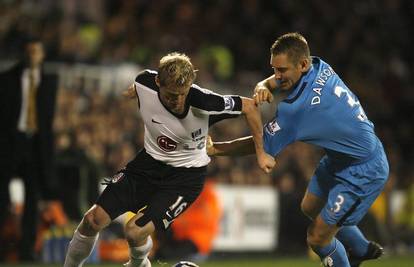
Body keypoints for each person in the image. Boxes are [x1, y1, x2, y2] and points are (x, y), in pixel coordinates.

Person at [63, 52, 275, 267]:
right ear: (157, 83)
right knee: (92, 220)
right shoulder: (145, 82)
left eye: (183, 93)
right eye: (172, 94)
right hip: (146, 165)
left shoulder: (204, 101)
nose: (178, 100)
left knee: (134, 232)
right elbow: (138, 85)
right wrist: (129, 93)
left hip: (184, 179)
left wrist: (260, 152)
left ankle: (138, 264)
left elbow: (250, 106)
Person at [208, 33, 389, 267]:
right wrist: (263, 84)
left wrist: (216, 149)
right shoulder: (320, 65)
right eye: (274, 69)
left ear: (302, 64)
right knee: (310, 206)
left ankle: (352, 253)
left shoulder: (297, 111)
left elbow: (259, 143)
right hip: (340, 158)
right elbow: (275, 81)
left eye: (281, 70)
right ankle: (360, 249)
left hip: (364, 171)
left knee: (317, 237)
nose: (277, 76)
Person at [0, 37, 58, 261]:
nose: (33, 56)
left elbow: (48, 121)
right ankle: (4, 248)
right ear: (24, 54)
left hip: (35, 147)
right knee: (2, 200)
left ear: (42, 55)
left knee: (32, 201)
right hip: (11, 144)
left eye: (37, 52)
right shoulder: (7, 79)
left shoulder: (49, 81)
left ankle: (26, 250)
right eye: (30, 51)